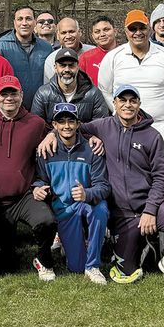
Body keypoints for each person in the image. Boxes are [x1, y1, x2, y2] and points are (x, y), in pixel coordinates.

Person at [39, 84, 164, 284]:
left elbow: (161, 177)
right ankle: (143, 245)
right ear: (114, 103)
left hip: (151, 206)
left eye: (133, 100)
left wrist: (149, 210)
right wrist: (50, 135)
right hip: (122, 214)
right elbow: (71, 128)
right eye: (122, 100)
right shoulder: (103, 126)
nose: (127, 105)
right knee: (126, 272)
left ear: (139, 104)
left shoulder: (152, 135)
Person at [98, 9, 164, 202]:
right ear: (125, 31)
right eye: (133, 28)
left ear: (149, 28)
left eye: (141, 27)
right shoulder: (114, 57)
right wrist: (119, 111)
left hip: (160, 125)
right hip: (124, 127)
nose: (137, 32)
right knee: (128, 170)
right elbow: (104, 90)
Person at [0, 75, 57, 280]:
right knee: (4, 268)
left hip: (25, 196)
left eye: (13, 93)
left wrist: (52, 133)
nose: (9, 98)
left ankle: (44, 260)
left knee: (46, 221)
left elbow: (64, 132)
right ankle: (4, 254)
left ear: (21, 95)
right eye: (4, 93)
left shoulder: (35, 123)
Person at [33, 103, 110, 284]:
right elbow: (40, 179)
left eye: (71, 121)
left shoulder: (92, 149)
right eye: (62, 121)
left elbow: (104, 186)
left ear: (78, 124)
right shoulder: (46, 150)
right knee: (75, 267)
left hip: (86, 203)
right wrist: (37, 188)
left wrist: (87, 194)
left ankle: (93, 266)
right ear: (54, 125)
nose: (66, 126)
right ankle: (71, 246)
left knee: (100, 208)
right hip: (64, 211)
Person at [0, 5, 53, 110]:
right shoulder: (0, 47)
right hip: (10, 108)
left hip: (40, 108)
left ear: (34, 22)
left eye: (28, 19)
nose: (24, 23)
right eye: (20, 19)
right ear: (14, 23)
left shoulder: (46, 48)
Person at [32, 48, 109, 129]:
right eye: (62, 65)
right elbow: (37, 126)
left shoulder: (93, 94)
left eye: (71, 65)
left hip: (85, 140)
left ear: (78, 67)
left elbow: (101, 126)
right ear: (55, 67)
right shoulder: (43, 94)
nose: (67, 70)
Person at [43, 17, 95, 83]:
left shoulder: (93, 52)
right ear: (58, 36)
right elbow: (50, 89)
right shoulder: (51, 60)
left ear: (79, 33)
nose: (68, 36)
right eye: (63, 33)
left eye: (71, 31)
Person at [78, 16, 118, 85]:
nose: (102, 34)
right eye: (97, 32)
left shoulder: (125, 54)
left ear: (115, 32)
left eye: (106, 30)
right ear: (93, 36)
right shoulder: (85, 58)